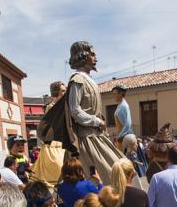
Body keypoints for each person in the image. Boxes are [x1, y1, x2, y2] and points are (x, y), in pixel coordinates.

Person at [57, 41, 133, 186]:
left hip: (97, 136)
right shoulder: (77, 80)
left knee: (122, 169)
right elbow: (75, 110)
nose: (96, 58)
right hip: (86, 139)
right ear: (83, 57)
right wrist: (97, 121)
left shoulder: (88, 80)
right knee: (107, 176)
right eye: (92, 54)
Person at [112, 85, 133, 151]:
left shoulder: (124, 106)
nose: (113, 96)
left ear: (120, 94)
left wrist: (120, 136)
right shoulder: (120, 105)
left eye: (115, 94)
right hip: (121, 138)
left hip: (124, 139)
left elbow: (128, 124)